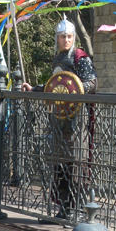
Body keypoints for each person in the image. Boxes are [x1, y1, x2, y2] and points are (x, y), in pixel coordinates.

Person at [21, 18, 97, 219]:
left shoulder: (81, 59)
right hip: (58, 118)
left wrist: (76, 89)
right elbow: (53, 86)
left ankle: (78, 208)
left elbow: (92, 83)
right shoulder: (58, 59)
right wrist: (35, 89)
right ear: (57, 38)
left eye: (69, 36)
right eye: (63, 36)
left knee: (76, 163)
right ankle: (64, 207)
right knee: (60, 164)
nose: (66, 40)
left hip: (76, 119)